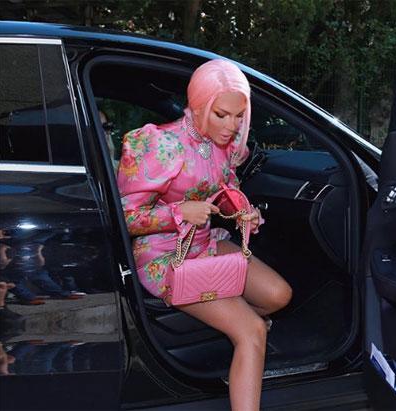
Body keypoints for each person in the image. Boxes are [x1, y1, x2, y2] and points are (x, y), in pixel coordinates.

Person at [117, 59, 292, 410]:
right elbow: (124, 217)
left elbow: (223, 195)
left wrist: (242, 213)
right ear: (198, 106)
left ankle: (231, 328)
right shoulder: (160, 145)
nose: (231, 126)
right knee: (252, 331)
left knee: (278, 295)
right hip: (164, 257)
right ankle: (242, 339)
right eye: (221, 114)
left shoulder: (224, 144)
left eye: (239, 116)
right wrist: (178, 213)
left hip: (205, 244)